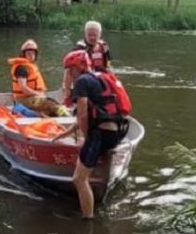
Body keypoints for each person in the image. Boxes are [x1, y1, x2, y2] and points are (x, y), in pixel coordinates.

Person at [57, 50, 131, 219]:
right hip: (116, 133)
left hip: (100, 134)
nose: (69, 73)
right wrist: (69, 132)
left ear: (79, 67)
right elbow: (97, 110)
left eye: (70, 69)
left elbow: (82, 113)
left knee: (79, 179)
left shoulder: (82, 81)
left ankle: (87, 220)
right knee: (85, 174)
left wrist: (83, 137)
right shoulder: (101, 77)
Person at [9, 40, 69, 117]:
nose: (31, 55)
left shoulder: (30, 66)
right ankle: (66, 117)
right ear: (23, 54)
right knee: (49, 102)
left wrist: (39, 95)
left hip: (32, 98)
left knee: (50, 108)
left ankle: (53, 117)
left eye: (33, 53)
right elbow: (24, 89)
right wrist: (38, 94)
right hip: (23, 99)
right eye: (28, 53)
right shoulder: (22, 68)